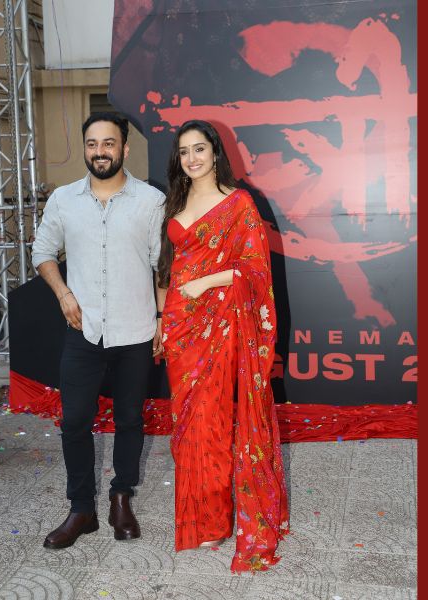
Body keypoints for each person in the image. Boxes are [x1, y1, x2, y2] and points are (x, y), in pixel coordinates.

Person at [156, 120, 290, 572]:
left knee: (213, 419)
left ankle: (214, 523)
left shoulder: (239, 204)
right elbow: (168, 267)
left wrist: (206, 283)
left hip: (220, 324)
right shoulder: (176, 201)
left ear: (215, 153)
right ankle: (195, 519)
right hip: (180, 326)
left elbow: (255, 271)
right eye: (184, 151)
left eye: (199, 149)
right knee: (188, 424)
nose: (191, 158)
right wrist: (163, 316)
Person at [31, 112, 165, 550]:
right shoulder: (63, 200)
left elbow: (161, 265)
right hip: (83, 330)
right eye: (92, 144)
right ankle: (81, 508)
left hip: (135, 329)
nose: (100, 151)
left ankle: (121, 498)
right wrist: (63, 294)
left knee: (129, 419)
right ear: (85, 149)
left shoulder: (151, 201)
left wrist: (162, 318)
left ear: (124, 148)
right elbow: (42, 251)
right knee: (74, 422)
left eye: (109, 143)